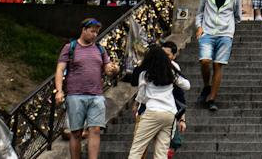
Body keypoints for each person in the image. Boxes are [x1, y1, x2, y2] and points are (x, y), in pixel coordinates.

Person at [55, 17, 112, 159]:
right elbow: (60, 70)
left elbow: (108, 69)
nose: (94, 35)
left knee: (96, 129)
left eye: (97, 33)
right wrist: (59, 91)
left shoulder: (100, 49)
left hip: (96, 95)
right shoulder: (70, 47)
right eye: (92, 31)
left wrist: (113, 69)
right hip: (75, 95)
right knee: (76, 132)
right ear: (84, 30)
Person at [123, 40, 188, 159]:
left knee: (137, 150)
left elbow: (142, 95)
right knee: (161, 153)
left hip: (152, 112)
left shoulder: (145, 74)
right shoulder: (171, 72)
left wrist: (138, 103)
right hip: (169, 114)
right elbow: (187, 86)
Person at [193, 0, 240, 111]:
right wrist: (199, 26)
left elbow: (237, 16)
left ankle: (212, 98)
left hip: (225, 33)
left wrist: (229, 28)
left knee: (218, 64)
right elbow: (200, 11)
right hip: (207, 31)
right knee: (205, 61)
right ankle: (207, 86)